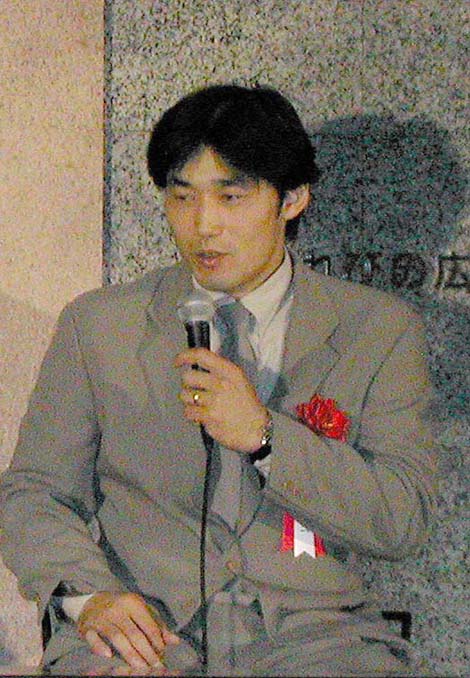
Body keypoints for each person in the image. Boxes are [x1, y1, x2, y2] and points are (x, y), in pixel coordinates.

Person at [0, 84, 438, 676]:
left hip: (314, 639)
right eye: (182, 197)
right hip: (145, 631)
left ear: (292, 199)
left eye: (231, 197)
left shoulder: (379, 330)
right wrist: (89, 597)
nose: (203, 225)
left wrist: (265, 436)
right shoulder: (98, 324)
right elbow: (34, 492)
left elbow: (403, 520)